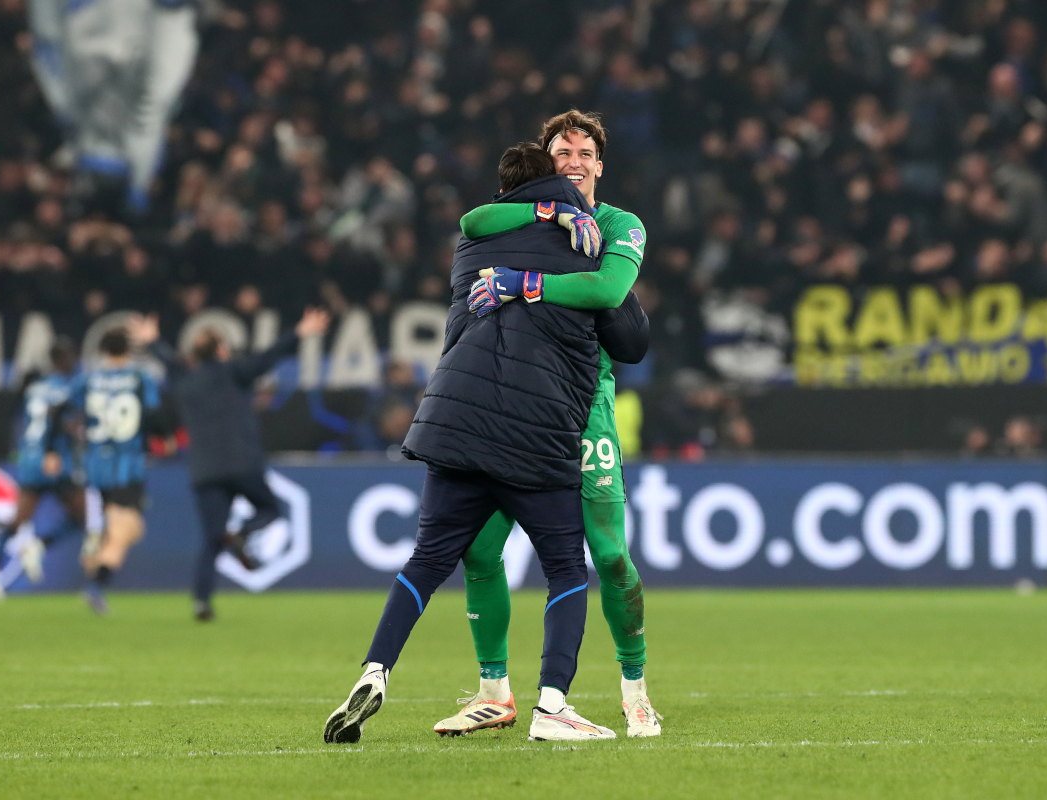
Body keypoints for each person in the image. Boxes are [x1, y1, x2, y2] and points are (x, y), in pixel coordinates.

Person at [323, 142, 613, 744]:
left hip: (455, 423)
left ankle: (375, 669)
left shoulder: (472, 245)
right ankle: (553, 706)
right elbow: (620, 317)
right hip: (537, 428)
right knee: (565, 569)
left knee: (427, 560)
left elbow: (475, 228)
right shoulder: (582, 241)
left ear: (506, 191)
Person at [444, 110, 660, 738]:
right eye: (561, 151)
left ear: (600, 165)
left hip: (583, 400)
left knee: (611, 554)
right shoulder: (522, 213)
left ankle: (635, 686)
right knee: (480, 548)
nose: (573, 161)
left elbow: (609, 289)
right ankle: (494, 692)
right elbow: (473, 222)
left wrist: (522, 281)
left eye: (584, 152)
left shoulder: (621, 224)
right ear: (546, 161)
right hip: (514, 398)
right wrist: (546, 213)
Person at [128, 308, 330, 621]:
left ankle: (201, 602)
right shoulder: (234, 371)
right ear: (222, 351)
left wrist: (152, 340)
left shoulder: (184, 379)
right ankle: (241, 535)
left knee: (210, 540)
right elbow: (269, 356)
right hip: (242, 463)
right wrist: (300, 331)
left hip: (205, 470)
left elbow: (168, 362)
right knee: (269, 511)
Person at [48, 328, 160, 615]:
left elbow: (59, 409)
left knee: (133, 530)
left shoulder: (89, 378)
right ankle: (96, 580)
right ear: (128, 351)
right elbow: (154, 415)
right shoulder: (139, 377)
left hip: (95, 465)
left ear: (102, 351)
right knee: (127, 532)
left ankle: (98, 541)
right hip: (127, 465)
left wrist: (52, 448)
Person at [0, 338, 86, 603]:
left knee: (18, 519)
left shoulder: (34, 387)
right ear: (64, 359)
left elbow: (17, 417)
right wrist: (58, 444)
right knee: (81, 516)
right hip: (54, 459)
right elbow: (58, 419)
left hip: (28, 459)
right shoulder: (66, 387)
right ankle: (39, 545)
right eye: (70, 357)